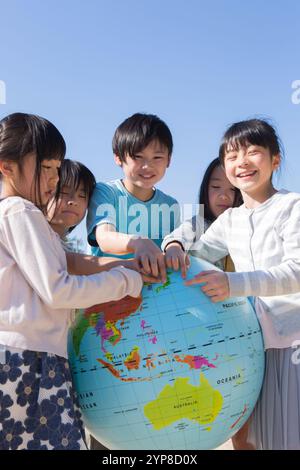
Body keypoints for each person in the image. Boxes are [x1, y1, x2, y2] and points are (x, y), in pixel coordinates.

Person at [0, 113, 144, 450]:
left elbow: (76, 261)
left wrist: (128, 263)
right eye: (45, 168)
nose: (53, 178)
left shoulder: (20, 215)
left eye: (56, 168)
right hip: (25, 362)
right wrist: (127, 281)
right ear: (7, 166)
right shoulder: (20, 211)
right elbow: (59, 289)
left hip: (33, 358)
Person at [162, 118, 300, 450]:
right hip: (256, 347)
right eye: (232, 155)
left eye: (253, 152)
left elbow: (296, 271)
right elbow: (200, 252)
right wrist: (174, 245)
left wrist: (233, 284)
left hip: (293, 341)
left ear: (275, 160)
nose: (242, 163)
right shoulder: (230, 219)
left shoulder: (291, 206)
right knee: (262, 441)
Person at [87, 113, 181, 283]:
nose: (147, 166)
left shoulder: (170, 205)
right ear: (118, 157)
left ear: (168, 160)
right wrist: (139, 242)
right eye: (138, 156)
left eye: (157, 157)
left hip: (153, 296)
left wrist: (175, 249)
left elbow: (170, 248)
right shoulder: (106, 192)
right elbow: (104, 239)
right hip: (109, 289)